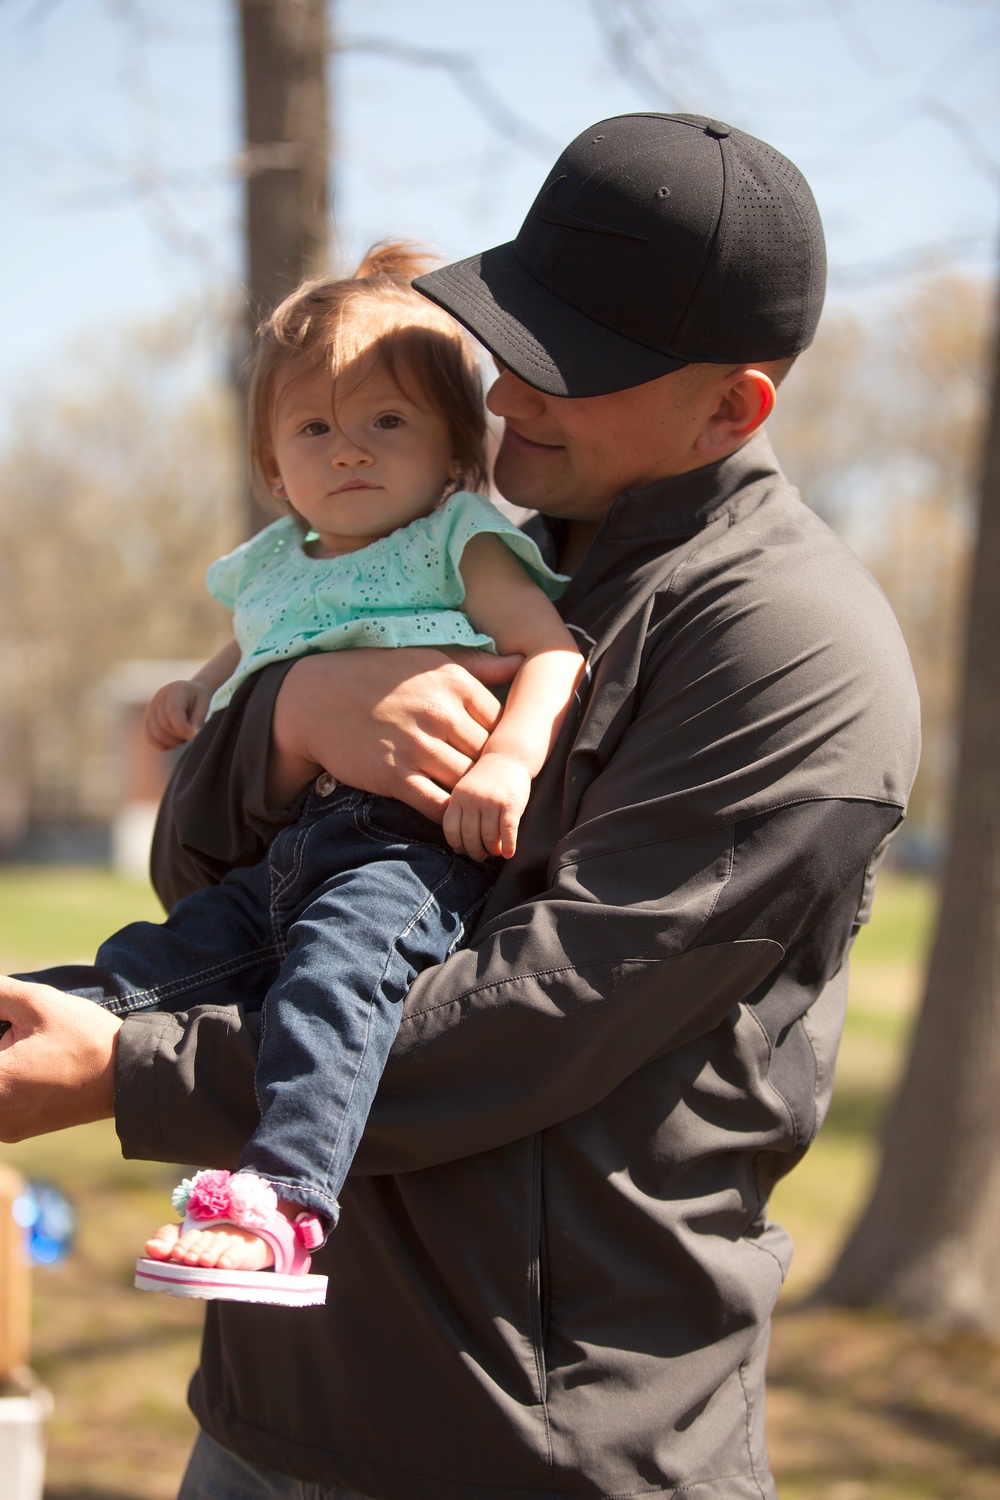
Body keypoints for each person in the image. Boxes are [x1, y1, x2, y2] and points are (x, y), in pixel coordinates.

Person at [0, 114, 920, 1498]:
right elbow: (211, 881)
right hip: (268, 1404)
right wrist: (294, 719)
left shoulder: (791, 648)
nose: (505, 397)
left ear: (733, 407)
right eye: (513, 337)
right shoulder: (450, 539)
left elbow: (538, 1022)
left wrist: (132, 1072)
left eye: (573, 370)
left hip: (526, 1440)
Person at [14, 244, 583, 1300]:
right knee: (159, 959)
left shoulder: (459, 538)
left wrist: (506, 760)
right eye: (314, 428)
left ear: (457, 449)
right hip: (287, 846)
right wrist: (199, 686)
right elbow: (266, 641)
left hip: (406, 849)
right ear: (275, 467)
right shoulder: (279, 558)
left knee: (334, 980)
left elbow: (550, 650)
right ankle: (21, 1015)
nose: (349, 451)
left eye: (386, 422)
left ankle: (283, 1200)